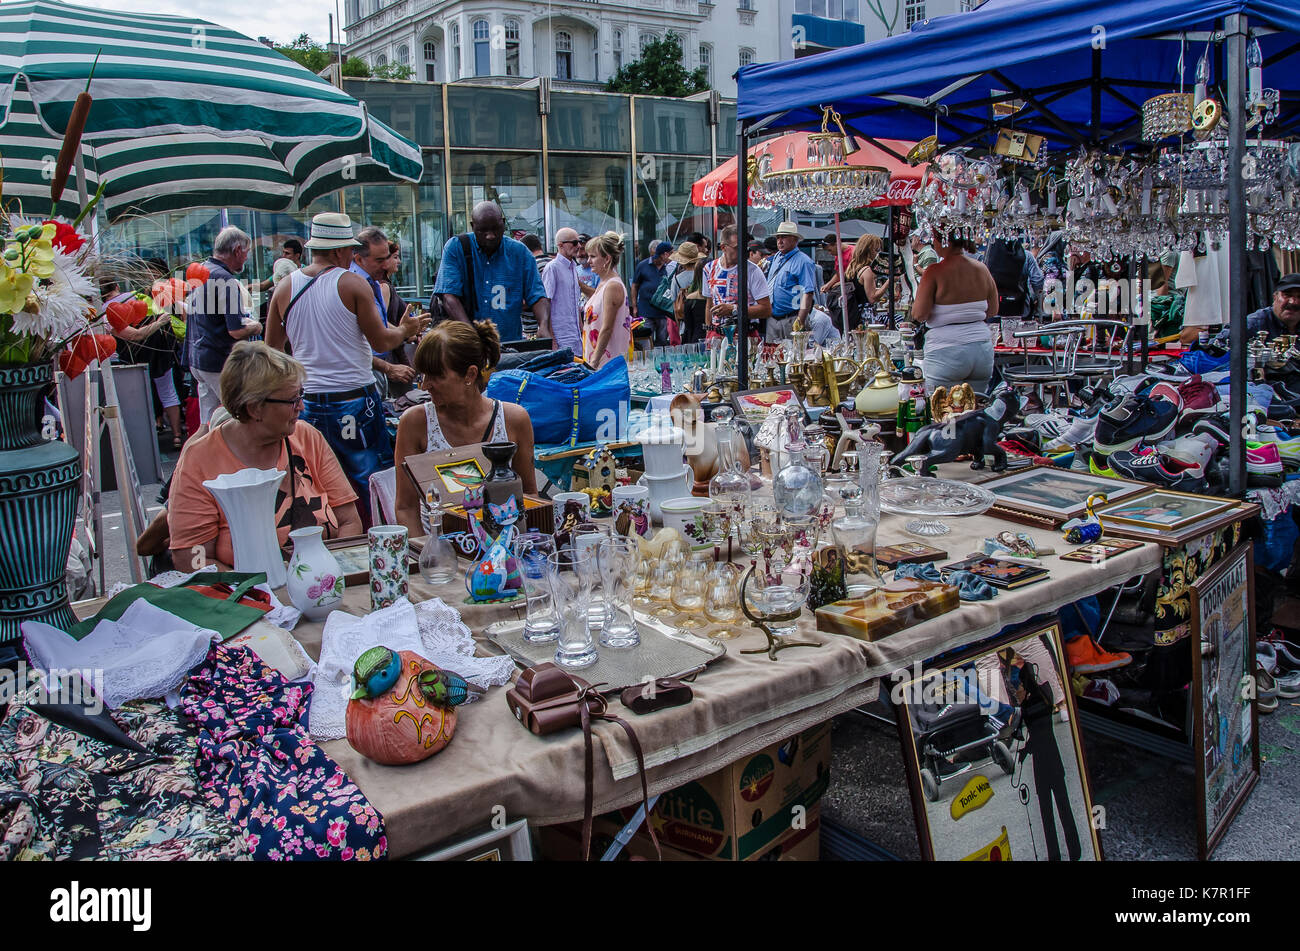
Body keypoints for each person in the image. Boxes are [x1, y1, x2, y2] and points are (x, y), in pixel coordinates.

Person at [264, 212, 429, 500]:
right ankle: (376, 537)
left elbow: (272, 353)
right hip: (353, 398)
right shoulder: (352, 284)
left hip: (309, 401)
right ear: (340, 250)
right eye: (351, 250)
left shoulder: (284, 286)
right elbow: (381, 339)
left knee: (316, 480)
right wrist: (406, 329)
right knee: (370, 478)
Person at [167, 341, 364, 572]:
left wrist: (325, 577)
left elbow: (349, 521)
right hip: (248, 599)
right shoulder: (200, 459)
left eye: (301, 394)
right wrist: (255, 590)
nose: (301, 406)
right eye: (292, 400)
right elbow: (191, 557)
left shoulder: (307, 438)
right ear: (254, 408)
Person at [394, 321, 536, 537]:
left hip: (505, 550)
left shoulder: (513, 419)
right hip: (440, 551)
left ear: (470, 375)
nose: (425, 385)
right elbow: (405, 508)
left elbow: (529, 497)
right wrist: (427, 555)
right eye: (423, 375)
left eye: (436, 376)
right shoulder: (415, 422)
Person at [1002, 647, 1082, 861]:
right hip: (1054, 759)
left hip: (1041, 765)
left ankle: (1054, 854)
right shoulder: (1045, 698)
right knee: (1064, 807)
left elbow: (1025, 734)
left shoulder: (1027, 706)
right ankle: (1075, 850)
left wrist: (1024, 751)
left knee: (1047, 814)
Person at [434, 201, 550, 343]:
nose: (490, 236)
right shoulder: (456, 248)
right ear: (473, 226)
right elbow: (449, 297)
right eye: (483, 231)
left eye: (495, 229)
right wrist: (472, 338)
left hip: (508, 343)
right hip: (465, 346)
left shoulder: (520, 252)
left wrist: (543, 325)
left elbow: (537, 295)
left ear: (503, 223)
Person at [187, 226, 263, 424]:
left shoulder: (201, 270)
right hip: (218, 360)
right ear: (237, 250)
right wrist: (256, 327)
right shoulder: (225, 278)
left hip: (199, 358)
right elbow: (236, 331)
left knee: (207, 424)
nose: (246, 258)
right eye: (246, 252)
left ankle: (193, 455)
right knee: (243, 418)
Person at [104, 275, 185, 450]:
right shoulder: (136, 297)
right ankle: (177, 436)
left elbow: (132, 335)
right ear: (117, 286)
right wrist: (161, 322)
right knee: (168, 391)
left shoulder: (104, 311)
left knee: (137, 397)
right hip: (157, 352)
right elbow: (137, 334)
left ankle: (143, 440)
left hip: (128, 361)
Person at [912, 234, 998, 395]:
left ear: (943, 241)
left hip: (946, 351)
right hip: (981, 349)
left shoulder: (935, 271)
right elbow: (992, 310)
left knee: (943, 412)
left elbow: (919, 314)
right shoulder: (982, 269)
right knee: (976, 409)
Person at [703, 225, 772, 338]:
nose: (742, 251)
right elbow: (709, 303)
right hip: (717, 333)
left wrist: (734, 309)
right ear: (724, 247)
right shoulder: (709, 268)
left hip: (744, 333)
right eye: (737, 247)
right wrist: (709, 331)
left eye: (745, 247)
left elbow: (766, 309)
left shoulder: (752, 271)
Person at [582, 231, 633, 369]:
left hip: (606, 360)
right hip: (600, 357)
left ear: (607, 259)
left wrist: (593, 362)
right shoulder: (605, 283)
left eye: (593, 256)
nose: (588, 261)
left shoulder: (612, 285)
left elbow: (607, 328)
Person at [765, 222, 818, 342]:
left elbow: (808, 293)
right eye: (778, 237)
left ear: (794, 239)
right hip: (773, 318)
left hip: (792, 317)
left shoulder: (804, 261)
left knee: (795, 356)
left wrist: (800, 320)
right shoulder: (776, 258)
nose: (779, 241)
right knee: (772, 356)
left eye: (784, 237)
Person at [378, 241, 417, 393]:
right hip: (391, 356)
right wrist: (405, 333)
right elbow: (381, 322)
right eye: (395, 257)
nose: (399, 261)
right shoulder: (384, 287)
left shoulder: (387, 285)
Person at [542, 227, 584, 353]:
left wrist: (582, 330)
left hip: (575, 336)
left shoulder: (573, 268)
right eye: (575, 243)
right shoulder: (552, 268)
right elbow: (546, 304)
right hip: (561, 337)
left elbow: (575, 303)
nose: (579, 246)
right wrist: (552, 339)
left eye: (579, 242)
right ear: (561, 245)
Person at [1224, 273, 1300, 341]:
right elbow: (1215, 348)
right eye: (1287, 295)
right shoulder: (1254, 324)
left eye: (1299, 297)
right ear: (1275, 297)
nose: (1293, 302)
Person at [984, 237, 1044, 318]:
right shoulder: (1027, 255)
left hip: (994, 311)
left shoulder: (988, 258)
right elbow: (1038, 281)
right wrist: (1036, 301)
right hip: (1021, 309)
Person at [630, 240, 674, 346]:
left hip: (663, 311)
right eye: (670, 253)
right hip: (646, 309)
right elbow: (634, 286)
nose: (672, 256)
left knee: (663, 340)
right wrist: (635, 306)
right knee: (645, 340)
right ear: (664, 254)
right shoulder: (643, 265)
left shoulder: (670, 267)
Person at [844, 234, 886, 329]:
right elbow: (872, 298)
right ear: (868, 251)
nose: (879, 254)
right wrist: (889, 282)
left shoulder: (852, 268)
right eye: (877, 250)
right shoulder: (867, 270)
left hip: (853, 314)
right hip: (866, 316)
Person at [670, 241, 708, 344]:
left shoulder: (677, 279)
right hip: (704, 316)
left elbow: (674, 304)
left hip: (686, 321)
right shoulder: (704, 274)